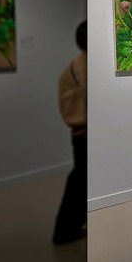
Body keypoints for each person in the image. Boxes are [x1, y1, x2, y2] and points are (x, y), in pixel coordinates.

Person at [52, 20, 88, 245]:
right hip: (84, 133)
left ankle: (68, 229)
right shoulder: (83, 66)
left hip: (81, 132)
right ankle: (65, 232)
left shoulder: (79, 63)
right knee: (79, 182)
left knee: (80, 180)